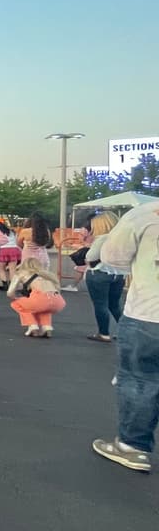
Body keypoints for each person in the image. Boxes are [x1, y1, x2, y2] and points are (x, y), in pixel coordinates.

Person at [91, 202, 159, 472]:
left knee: (140, 380)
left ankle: (133, 447)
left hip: (149, 313)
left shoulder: (145, 214)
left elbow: (112, 257)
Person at [84, 213, 128, 342]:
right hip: (118, 274)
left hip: (99, 273)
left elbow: (90, 257)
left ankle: (103, 333)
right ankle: (124, 332)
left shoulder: (102, 238)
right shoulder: (122, 238)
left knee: (100, 304)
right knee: (114, 305)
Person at [7, 258, 65, 338]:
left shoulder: (21, 274)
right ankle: (46, 326)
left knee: (17, 303)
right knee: (44, 308)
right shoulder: (47, 274)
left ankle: (32, 325)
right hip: (58, 300)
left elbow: (10, 293)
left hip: (39, 298)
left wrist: (15, 298)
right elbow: (58, 288)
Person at [0, 220, 22, 286]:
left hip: (4, 250)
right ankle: (13, 286)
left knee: (1, 268)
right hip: (14, 249)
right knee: (12, 269)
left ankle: (5, 285)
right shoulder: (12, 232)